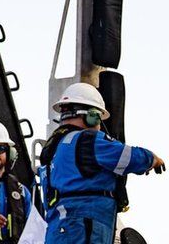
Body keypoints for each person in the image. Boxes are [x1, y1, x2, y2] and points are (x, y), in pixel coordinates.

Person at [39, 82, 164, 244]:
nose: (99, 126)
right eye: (98, 117)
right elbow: (129, 157)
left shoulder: (51, 149)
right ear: (91, 116)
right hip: (84, 226)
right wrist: (153, 159)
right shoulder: (87, 140)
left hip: (57, 230)